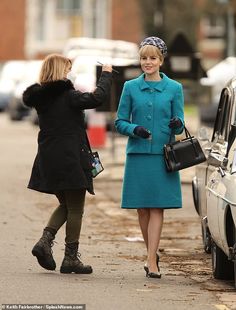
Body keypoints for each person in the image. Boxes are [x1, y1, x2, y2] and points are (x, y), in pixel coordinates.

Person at [23, 54, 112, 274]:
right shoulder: (69, 96)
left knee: (66, 204)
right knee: (75, 208)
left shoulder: (42, 99)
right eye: (67, 69)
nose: (69, 73)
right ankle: (70, 258)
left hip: (49, 159)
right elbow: (97, 98)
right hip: (70, 159)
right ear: (59, 71)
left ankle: (45, 242)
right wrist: (106, 74)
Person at [115, 37, 184, 278]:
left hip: (163, 156)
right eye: (144, 58)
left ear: (161, 60)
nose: (148, 62)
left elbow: (180, 122)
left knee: (157, 208)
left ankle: (151, 260)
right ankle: (151, 253)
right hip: (138, 156)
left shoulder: (175, 88)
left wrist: (177, 124)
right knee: (142, 209)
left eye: (152, 58)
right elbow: (119, 121)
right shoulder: (130, 87)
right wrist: (135, 130)